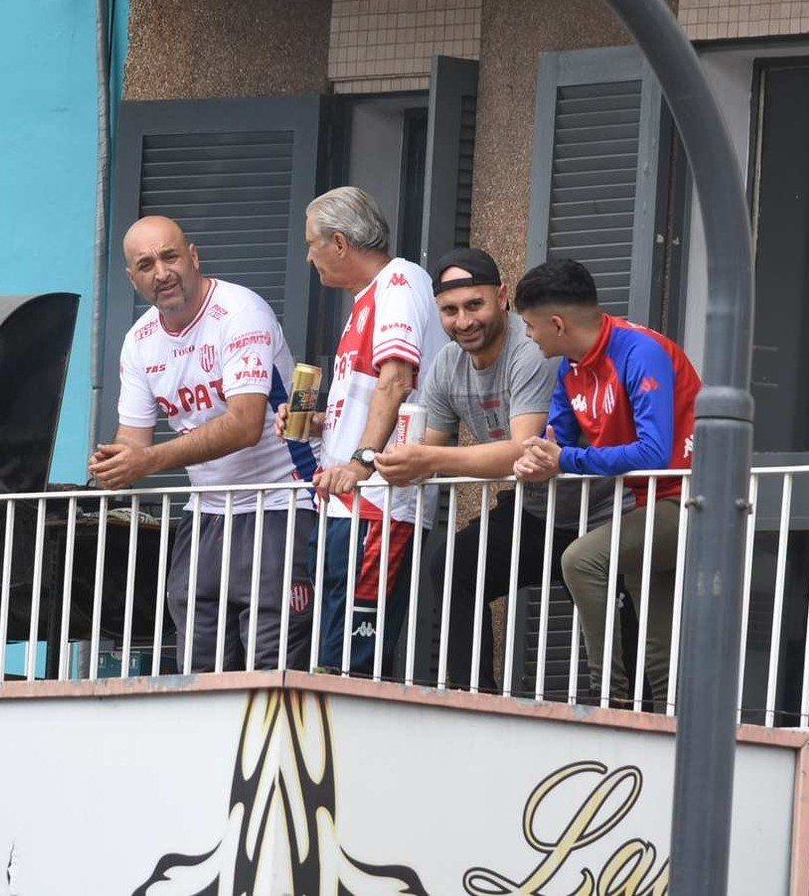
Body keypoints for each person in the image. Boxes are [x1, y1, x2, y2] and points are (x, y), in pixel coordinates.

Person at [374, 248, 619, 694]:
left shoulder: (532, 352)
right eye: (450, 311)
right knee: (456, 565)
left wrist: (427, 460)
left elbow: (522, 451)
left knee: (620, 617)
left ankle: (627, 707)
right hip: (537, 509)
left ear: (502, 297)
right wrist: (391, 460)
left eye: (475, 305)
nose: (463, 321)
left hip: (596, 510)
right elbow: (425, 448)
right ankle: (473, 696)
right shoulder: (448, 364)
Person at [91, 215, 317, 672]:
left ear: (193, 256)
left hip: (281, 498)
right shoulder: (139, 342)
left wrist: (147, 461)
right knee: (199, 659)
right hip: (208, 510)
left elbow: (244, 424)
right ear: (131, 278)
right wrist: (114, 465)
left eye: (170, 256)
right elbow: (132, 441)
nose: (162, 273)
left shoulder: (240, 311)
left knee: (269, 658)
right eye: (146, 264)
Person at [511, 258, 700, 708]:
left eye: (530, 325)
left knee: (581, 560)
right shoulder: (572, 367)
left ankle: (607, 699)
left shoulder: (640, 352)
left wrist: (565, 459)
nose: (528, 335)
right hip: (646, 506)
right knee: (659, 649)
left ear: (556, 323)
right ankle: (671, 733)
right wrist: (537, 458)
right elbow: (555, 439)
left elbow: (654, 453)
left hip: (694, 501)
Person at [281, 186, 445, 676]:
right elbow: (369, 392)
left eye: (312, 244)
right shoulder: (365, 300)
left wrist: (362, 460)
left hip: (377, 499)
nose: (309, 257)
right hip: (345, 498)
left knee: (352, 652)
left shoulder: (400, 282)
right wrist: (317, 421)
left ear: (338, 242)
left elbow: (397, 378)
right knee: (330, 642)